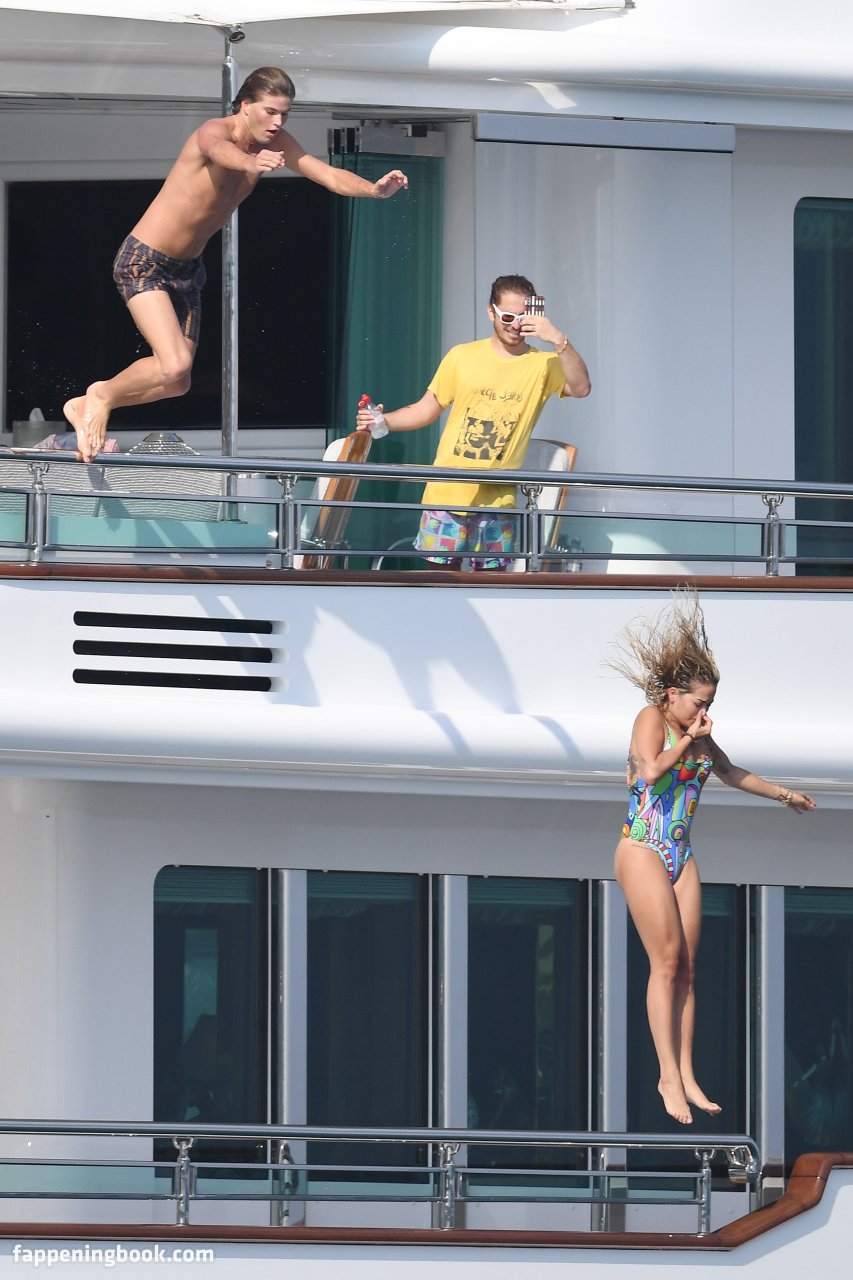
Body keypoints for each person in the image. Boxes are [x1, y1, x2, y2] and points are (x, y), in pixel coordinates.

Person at [64, 67, 408, 462]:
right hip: (145, 261)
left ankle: (90, 402)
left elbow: (326, 174)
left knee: (177, 382)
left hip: (187, 271)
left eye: (285, 114)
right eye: (270, 112)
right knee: (174, 364)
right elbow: (218, 151)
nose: (277, 123)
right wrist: (249, 162)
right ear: (245, 105)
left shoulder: (276, 142)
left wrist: (373, 190)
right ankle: (100, 396)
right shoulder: (215, 131)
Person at [611, 591, 816, 1125]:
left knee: (688, 968)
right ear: (674, 695)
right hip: (642, 846)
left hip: (680, 852)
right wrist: (687, 740)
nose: (705, 713)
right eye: (698, 703)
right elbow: (651, 770)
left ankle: (687, 1072)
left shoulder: (701, 736)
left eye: (709, 705)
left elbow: (730, 772)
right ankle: (666, 1076)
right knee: (665, 961)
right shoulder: (652, 719)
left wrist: (784, 795)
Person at [356, 273, 590, 569]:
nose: (515, 325)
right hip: (446, 491)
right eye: (507, 317)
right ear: (491, 311)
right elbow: (426, 409)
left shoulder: (545, 363)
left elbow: (581, 388)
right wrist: (383, 420)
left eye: (522, 318)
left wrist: (558, 339)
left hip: (498, 498)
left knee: (492, 587)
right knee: (440, 583)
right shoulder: (462, 356)